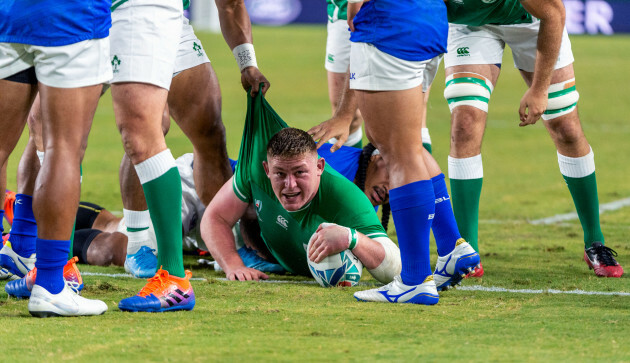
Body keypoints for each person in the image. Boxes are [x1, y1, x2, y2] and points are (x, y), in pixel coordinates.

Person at [442, 0, 623, 277]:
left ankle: (594, 242)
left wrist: (539, 90)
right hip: (470, 24)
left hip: (533, 20)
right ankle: (466, 251)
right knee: (464, 123)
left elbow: (553, 13)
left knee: (566, 127)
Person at [325, 0, 481, 305]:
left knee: (395, 151)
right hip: (430, 18)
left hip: (388, 23)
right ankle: (452, 246)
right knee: (406, 143)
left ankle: (414, 279)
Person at [201, 93, 403, 285]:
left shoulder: (347, 198)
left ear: (319, 167)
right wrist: (232, 264)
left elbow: (394, 268)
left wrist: (352, 238)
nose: (290, 185)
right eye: (280, 173)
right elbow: (214, 217)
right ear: (267, 169)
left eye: (299, 173)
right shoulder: (254, 170)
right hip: (201, 196)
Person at [0, 0, 111, 316]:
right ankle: (50, 283)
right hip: (70, 16)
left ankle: (23, 251)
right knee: (63, 147)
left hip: (9, 14)